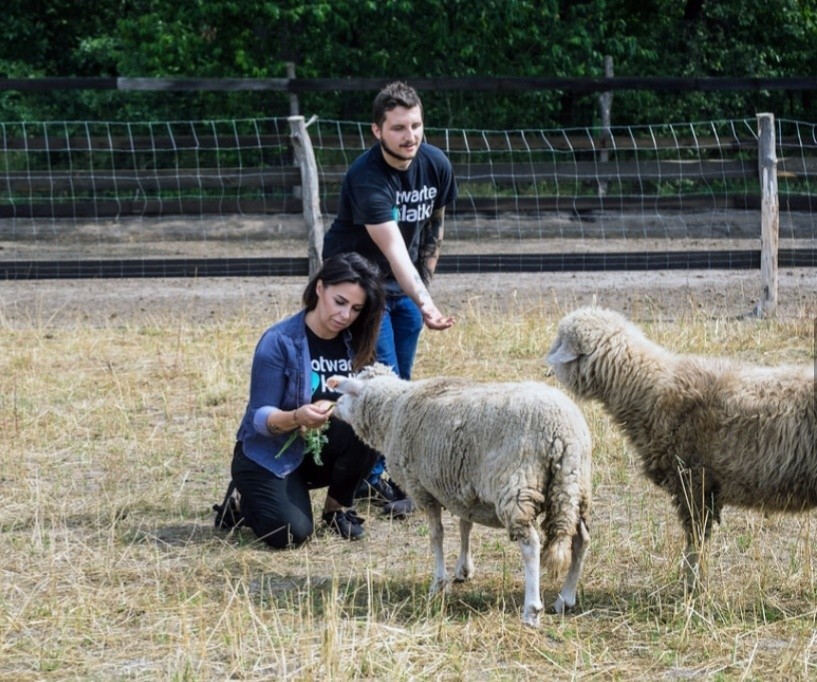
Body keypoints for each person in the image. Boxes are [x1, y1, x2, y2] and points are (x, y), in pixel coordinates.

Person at [322, 81, 458, 516]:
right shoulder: (367, 177)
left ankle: (389, 472)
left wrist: (424, 289)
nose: (410, 136)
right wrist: (426, 302)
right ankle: (381, 476)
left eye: (416, 125)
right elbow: (393, 249)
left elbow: (435, 224)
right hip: (364, 291)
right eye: (399, 127)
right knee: (383, 383)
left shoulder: (436, 164)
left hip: (408, 290)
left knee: (404, 380)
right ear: (377, 131)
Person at [213, 253, 385, 547]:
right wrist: (296, 417)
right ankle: (243, 501)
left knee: (371, 417)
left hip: (317, 453)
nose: (345, 315)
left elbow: (369, 394)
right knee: (292, 535)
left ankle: (336, 511)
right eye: (339, 301)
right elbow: (259, 417)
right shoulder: (279, 341)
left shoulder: (356, 342)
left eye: (356, 309)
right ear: (320, 288)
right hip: (270, 454)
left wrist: (331, 407)